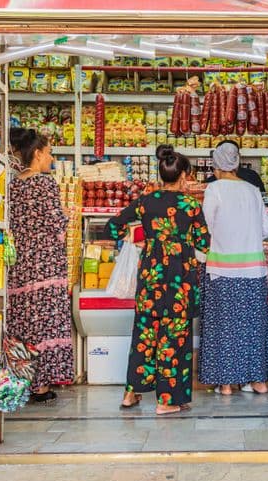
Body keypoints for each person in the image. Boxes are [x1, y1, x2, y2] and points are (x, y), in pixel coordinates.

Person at [107, 145, 210, 415]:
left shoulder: (146, 201)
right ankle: (167, 401)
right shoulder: (190, 205)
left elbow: (113, 225)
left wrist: (136, 237)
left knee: (144, 336)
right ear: (184, 175)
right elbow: (204, 243)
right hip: (180, 281)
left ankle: (130, 395)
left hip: (150, 278)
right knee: (173, 339)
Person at [198, 140, 268, 395]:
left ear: (216, 164)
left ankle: (226, 384)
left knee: (223, 327)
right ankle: (258, 381)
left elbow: (205, 227)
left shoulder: (214, 189)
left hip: (222, 270)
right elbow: (267, 229)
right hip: (253, 271)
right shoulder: (253, 190)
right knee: (253, 327)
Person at [6, 128, 74, 403]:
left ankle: (21, 379)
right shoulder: (45, 184)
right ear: (37, 154)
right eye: (48, 153)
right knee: (47, 322)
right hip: (46, 264)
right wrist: (66, 215)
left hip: (21, 265)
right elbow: (57, 223)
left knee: (24, 322)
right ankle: (41, 385)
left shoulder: (12, 185)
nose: (51, 158)